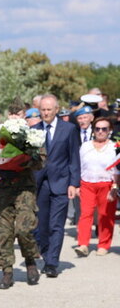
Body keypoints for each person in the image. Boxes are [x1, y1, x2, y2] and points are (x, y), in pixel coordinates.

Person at [0, 102, 42, 289]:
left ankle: (30, 260)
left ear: (25, 115)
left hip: (24, 189)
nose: (14, 115)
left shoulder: (33, 136)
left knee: (24, 228)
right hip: (4, 188)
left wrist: (26, 159)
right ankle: (6, 271)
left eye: (18, 113)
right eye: (11, 113)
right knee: (4, 231)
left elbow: (41, 162)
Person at [32, 94, 81, 277]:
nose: (46, 113)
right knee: (41, 225)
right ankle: (45, 254)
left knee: (56, 225)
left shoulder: (68, 129)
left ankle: (52, 262)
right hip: (40, 184)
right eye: (43, 110)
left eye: (49, 110)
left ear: (56, 110)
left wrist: (74, 183)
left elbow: (74, 157)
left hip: (61, 182)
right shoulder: (33, 130)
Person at [74, 117, 118, 257]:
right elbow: (79, 166)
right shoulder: (85, 146)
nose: (100, 132)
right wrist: (76, 185)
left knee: (105, 215)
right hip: (87, 183)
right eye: (97, 129)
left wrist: (115, 187)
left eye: (104, 129)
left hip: (107, 184)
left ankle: (104, 244)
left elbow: (118, 169)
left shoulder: (114, 147)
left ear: (109, 130)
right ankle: (83, 244)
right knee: (85, 214)